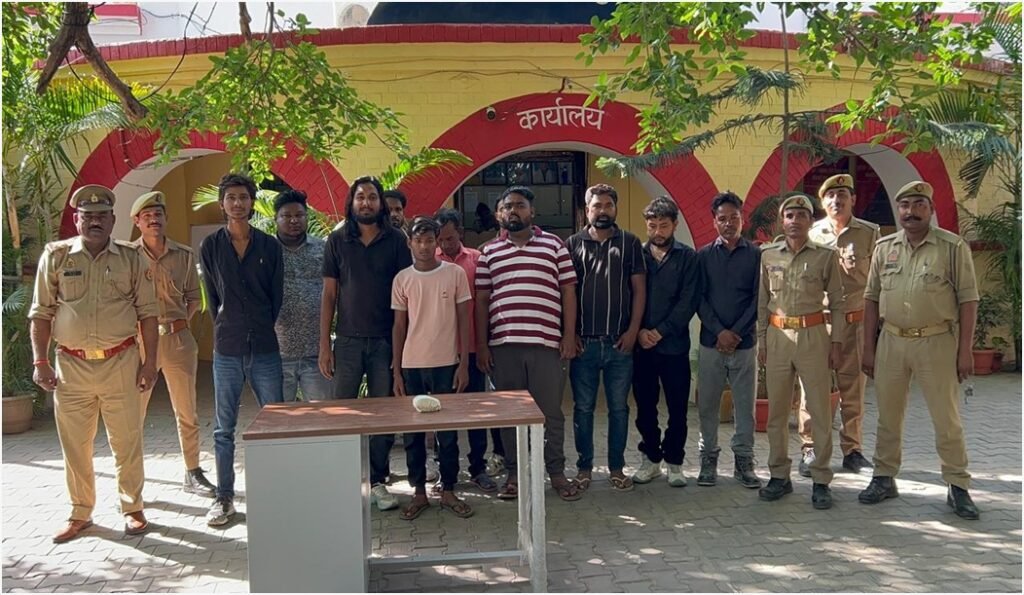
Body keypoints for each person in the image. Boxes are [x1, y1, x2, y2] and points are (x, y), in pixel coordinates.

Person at [29, 184, 159, 543]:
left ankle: (132, 508)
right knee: (75, 445)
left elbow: (148, 314)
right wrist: (40, 361)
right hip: (71, 367)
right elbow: (41, 313)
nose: (95, 222)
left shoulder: (131, 258)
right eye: (88, 216)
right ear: (77, 220)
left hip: (121, 362)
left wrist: (150, 364)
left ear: (113, 220)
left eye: (101, 216)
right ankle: (80, 512)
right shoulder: (56, 257)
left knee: (127, 441)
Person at [859, 181, 981, 520]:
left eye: (918, 205)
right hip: (892, 341)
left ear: (930, 209)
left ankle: (957, 485)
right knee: (887, 415)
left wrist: (965, 351)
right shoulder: (884, 247)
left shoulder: (952, 247)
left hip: (936, 341)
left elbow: (968, 300)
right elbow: (870, 299)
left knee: (946, 417)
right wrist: (868, 348)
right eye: (904, 205)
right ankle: (884, 477)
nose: (910, 212)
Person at [475, 186, 583, 502]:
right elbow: (481, 301)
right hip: (504, 346)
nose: (514, 211)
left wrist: (568, 335)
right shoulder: (489, 252)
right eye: (507, 206)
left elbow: (568, 292)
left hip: (547, 345)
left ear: (532, 212)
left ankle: (556, 473)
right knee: (510, 414)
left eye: (520, 205)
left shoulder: (554, 245)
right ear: (499, 214)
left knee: (550, 413)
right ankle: (515, 473)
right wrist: (482, 346)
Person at [320, 176, 412, 512]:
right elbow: (329, 294)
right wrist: (324, 344)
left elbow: (405, 295)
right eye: (361, 197)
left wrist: (403, 349)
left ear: (380, 203)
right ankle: (342, 479)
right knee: (343, 412)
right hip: (347, 342)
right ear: (352, 202)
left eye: (372, 197)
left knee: (382, 415)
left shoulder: (397, 240)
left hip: (385, 341)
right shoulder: (337, 240)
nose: (367, 202)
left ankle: (377, 481)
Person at [199, 173, 285, 527]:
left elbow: (276, 297)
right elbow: (212, 297)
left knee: (277, 423)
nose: (238, 203)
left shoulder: (269, 246)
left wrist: (258, 323)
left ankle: (279, 494)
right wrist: (229, 323)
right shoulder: (211, 246)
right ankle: (224, 497)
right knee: (224, 429)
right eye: (231, 197)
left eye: (243, 197)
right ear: (222, 203)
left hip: (264, 347)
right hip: (227, 349)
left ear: (252, 202)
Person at [757, 194, 846, 509]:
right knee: (777, 412)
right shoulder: (768, 256)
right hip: (778, 336)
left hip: (813, 335)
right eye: (789, 215)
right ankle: (779, 475)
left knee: (819, 411)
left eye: (801, 215)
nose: (795, 220)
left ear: (810, 221)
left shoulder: (825, 256)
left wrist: (836, 344)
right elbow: (762, 302)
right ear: (782, 221)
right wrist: (762, 341)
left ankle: (821, 479)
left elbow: (838, 302)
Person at [130, 191, 216, 497]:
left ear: (166, 218)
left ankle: (193, 471)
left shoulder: (184, 255)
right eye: (147, 216)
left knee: (187, 411)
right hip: (139, 343)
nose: (154, 220)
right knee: (133, 413)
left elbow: (194, 298)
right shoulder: (127, 256)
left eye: (158, 215)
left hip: (178, 340)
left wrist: (177, 324)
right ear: (137, 222)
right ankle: (131, 480)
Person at [797, 174, 880, 476]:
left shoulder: (869, 233)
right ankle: (810, 448)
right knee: (811, 388)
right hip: (820, 324)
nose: (837, 200)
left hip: (855, 325)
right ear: (823, 202)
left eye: (843, 195)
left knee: (853, 390)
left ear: (853, 200)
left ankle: (852, 450)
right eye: (830, 196)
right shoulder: (812, 234)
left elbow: (878, 282)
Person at [392, 216, 474, 519]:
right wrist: (396, 371)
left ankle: (449, 489)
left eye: (430, 240)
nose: (424, 246)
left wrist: (463, 363)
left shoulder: (454, 274)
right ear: (410, 243)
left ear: (437, 242)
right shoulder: (402, 278)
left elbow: (464, 320)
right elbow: (399, 326)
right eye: (419, 241)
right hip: (412, 365)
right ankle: (419, 493)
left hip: (446, 363)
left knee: (448, 433)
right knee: (413, 434)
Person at [566, 184, 647, 493]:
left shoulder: (630, 242)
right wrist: (570, 334)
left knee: (619, 409)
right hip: (584, 344)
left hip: (619, 343)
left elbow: (639, 290)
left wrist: (633, 331)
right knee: (583, 408)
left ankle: (616, 468)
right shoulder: (572, 244)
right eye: (596, 206)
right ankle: (584, 468)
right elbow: (567, 292)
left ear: (615, 208)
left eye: (608, 205)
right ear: (586, 210)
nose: (602, 210)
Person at [695, 191, 763, 489]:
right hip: (711, 343)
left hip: (744, 344)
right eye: (722, 219)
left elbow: (759, 298)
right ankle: (708, 459)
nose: (728, 223)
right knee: (707, 405)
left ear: (742, 219)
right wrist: (719, 331)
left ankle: (744, 461)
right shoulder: (703, 256)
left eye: (733, 217)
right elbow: (698, 297)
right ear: (714, 222)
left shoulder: (756, 256)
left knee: (745, 407)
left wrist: (736, 332)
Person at [630, 197, 699, 488]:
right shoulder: (636, 255)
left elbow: (688, 300)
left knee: (677, 408)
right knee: (645, 407)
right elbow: (628, 296)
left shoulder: (688, 257)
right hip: (641, 346)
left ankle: (674, 461)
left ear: (675, 225)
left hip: (674, 346)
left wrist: (660, 331)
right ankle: (651, 459)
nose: (658, 231)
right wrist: (639, 332)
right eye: (652, 225)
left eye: (664, 225)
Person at [435, 207, 500, 492]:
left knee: (476, 411)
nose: (445, 244)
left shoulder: (477, 260)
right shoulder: (428, 260)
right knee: (442, 413)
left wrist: (484, 346)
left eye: (449, 238)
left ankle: (478, 468)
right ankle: (445, 471)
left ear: (460, 233)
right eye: (440, 239)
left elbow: (486, 304)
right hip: (439, 352)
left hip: (473, 348)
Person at [273, 189, 331, 402]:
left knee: (321, 415)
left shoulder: (322, 249)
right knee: (280, 416)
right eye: (286, 216)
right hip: (277, 353)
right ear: (276, 219)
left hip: (316, 352)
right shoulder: (267, 250)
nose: (293, 220)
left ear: (307, 217)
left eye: (299, 215)